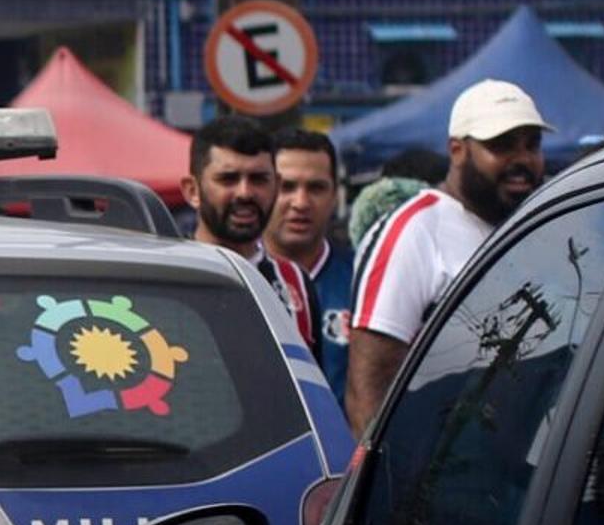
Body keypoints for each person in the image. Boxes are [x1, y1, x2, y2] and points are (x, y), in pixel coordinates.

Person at [347, 80, 549, 435]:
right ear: (457, 150)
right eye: (501, 145)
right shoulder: (415, 230)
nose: (522, 160)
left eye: (532, 145)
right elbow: (368, 387)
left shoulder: (536, 227)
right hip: (436, 470)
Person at [184, 115, 309, 334]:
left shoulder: (296, 283)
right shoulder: (171, 276)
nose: (245, 193)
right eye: (228, 179)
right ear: (192, 190)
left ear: (277, 185)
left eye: (259, 179)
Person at [265, 127, 353, 392]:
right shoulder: (239, 278)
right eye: (286, 187)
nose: (301, 202)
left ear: (334, 195)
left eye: (316, 187)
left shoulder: (366, 280)